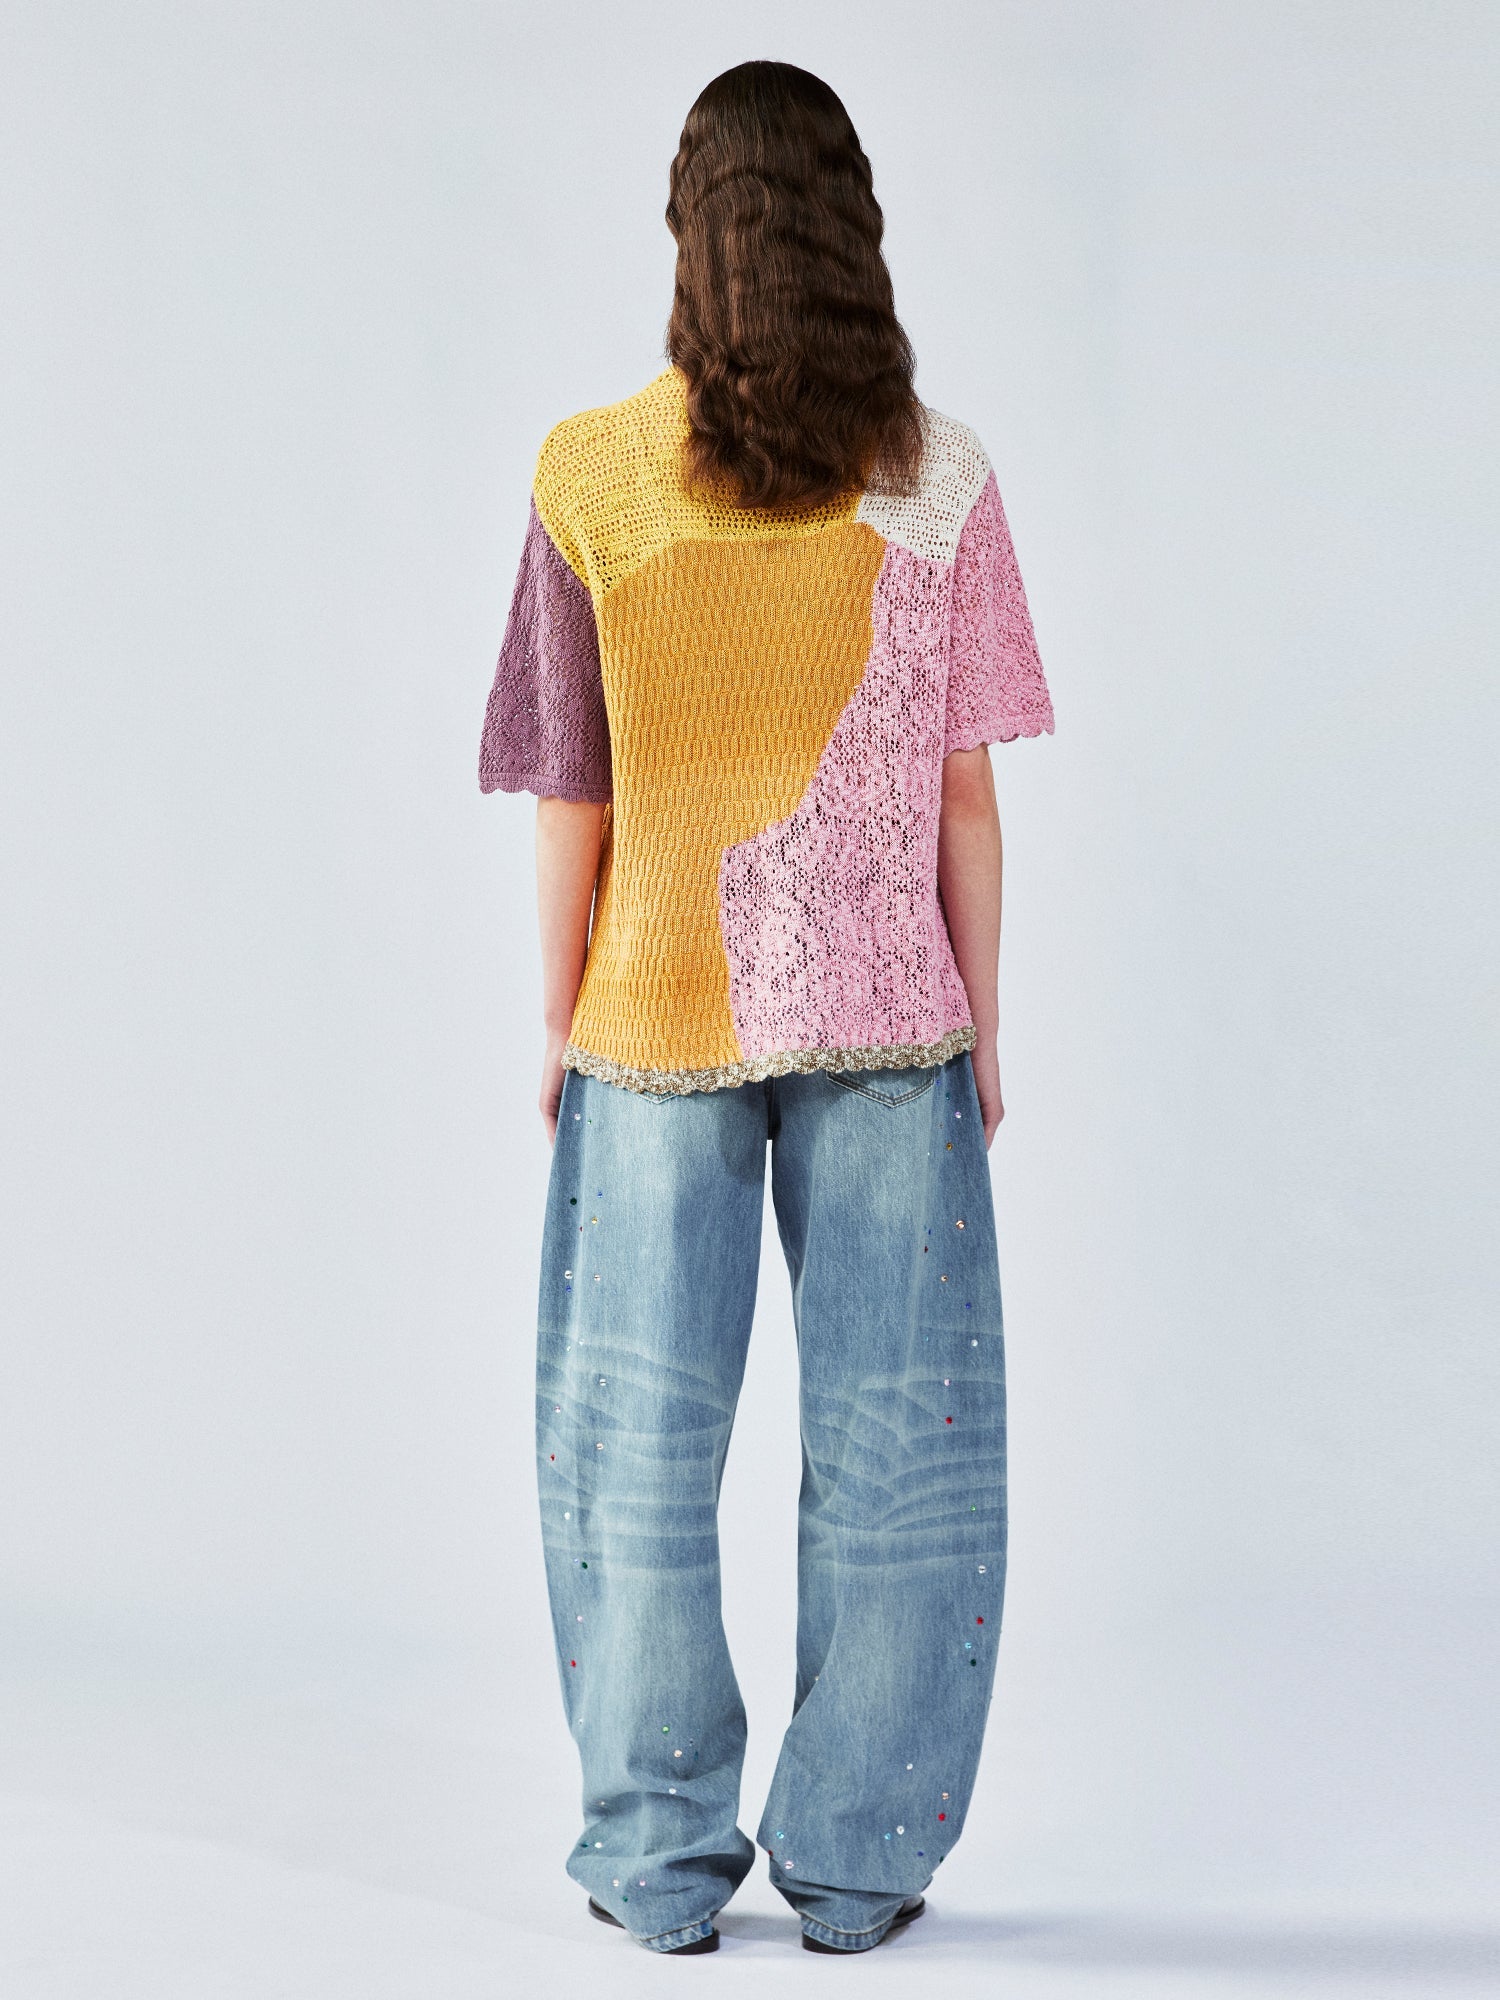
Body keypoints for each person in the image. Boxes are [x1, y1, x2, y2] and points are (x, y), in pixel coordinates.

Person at [479, 59, 1053, 1956]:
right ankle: (863, 1865)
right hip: (892, 1022)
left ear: (688, 235)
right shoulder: (941, 476)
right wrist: (985, 1019)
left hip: (652, 1014)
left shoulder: (588, 475)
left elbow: (573, 792)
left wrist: (554, 1018)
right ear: (853, 231)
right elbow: (968, 802)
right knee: (904, 1454)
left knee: (630, 1456)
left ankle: (654, 1864)